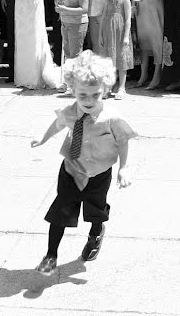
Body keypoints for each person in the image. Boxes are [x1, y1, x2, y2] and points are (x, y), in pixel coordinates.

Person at [30, 50, 136, 275]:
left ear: (105, 90)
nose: (88, 101)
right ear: (73, 91)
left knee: (95, 211)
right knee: (60, 211)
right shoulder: (71, 111)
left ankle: (96, 234)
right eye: (82, 95)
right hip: (71, 169)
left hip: (99, 173)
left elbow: (123, 141)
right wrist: (43, 138)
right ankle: (51, 255)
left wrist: (124, 167)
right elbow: (58, 124)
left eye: (95, 95)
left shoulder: (112, 117)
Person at [98, 0, 133, 99]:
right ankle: (108, 87)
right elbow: (103, 17)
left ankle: (122, 87)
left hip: (120, 33)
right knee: (109, 61)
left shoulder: (125, 0)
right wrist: (100, 34)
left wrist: (125, 37)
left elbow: (128, 19)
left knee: (121, 60)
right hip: (108, 33)